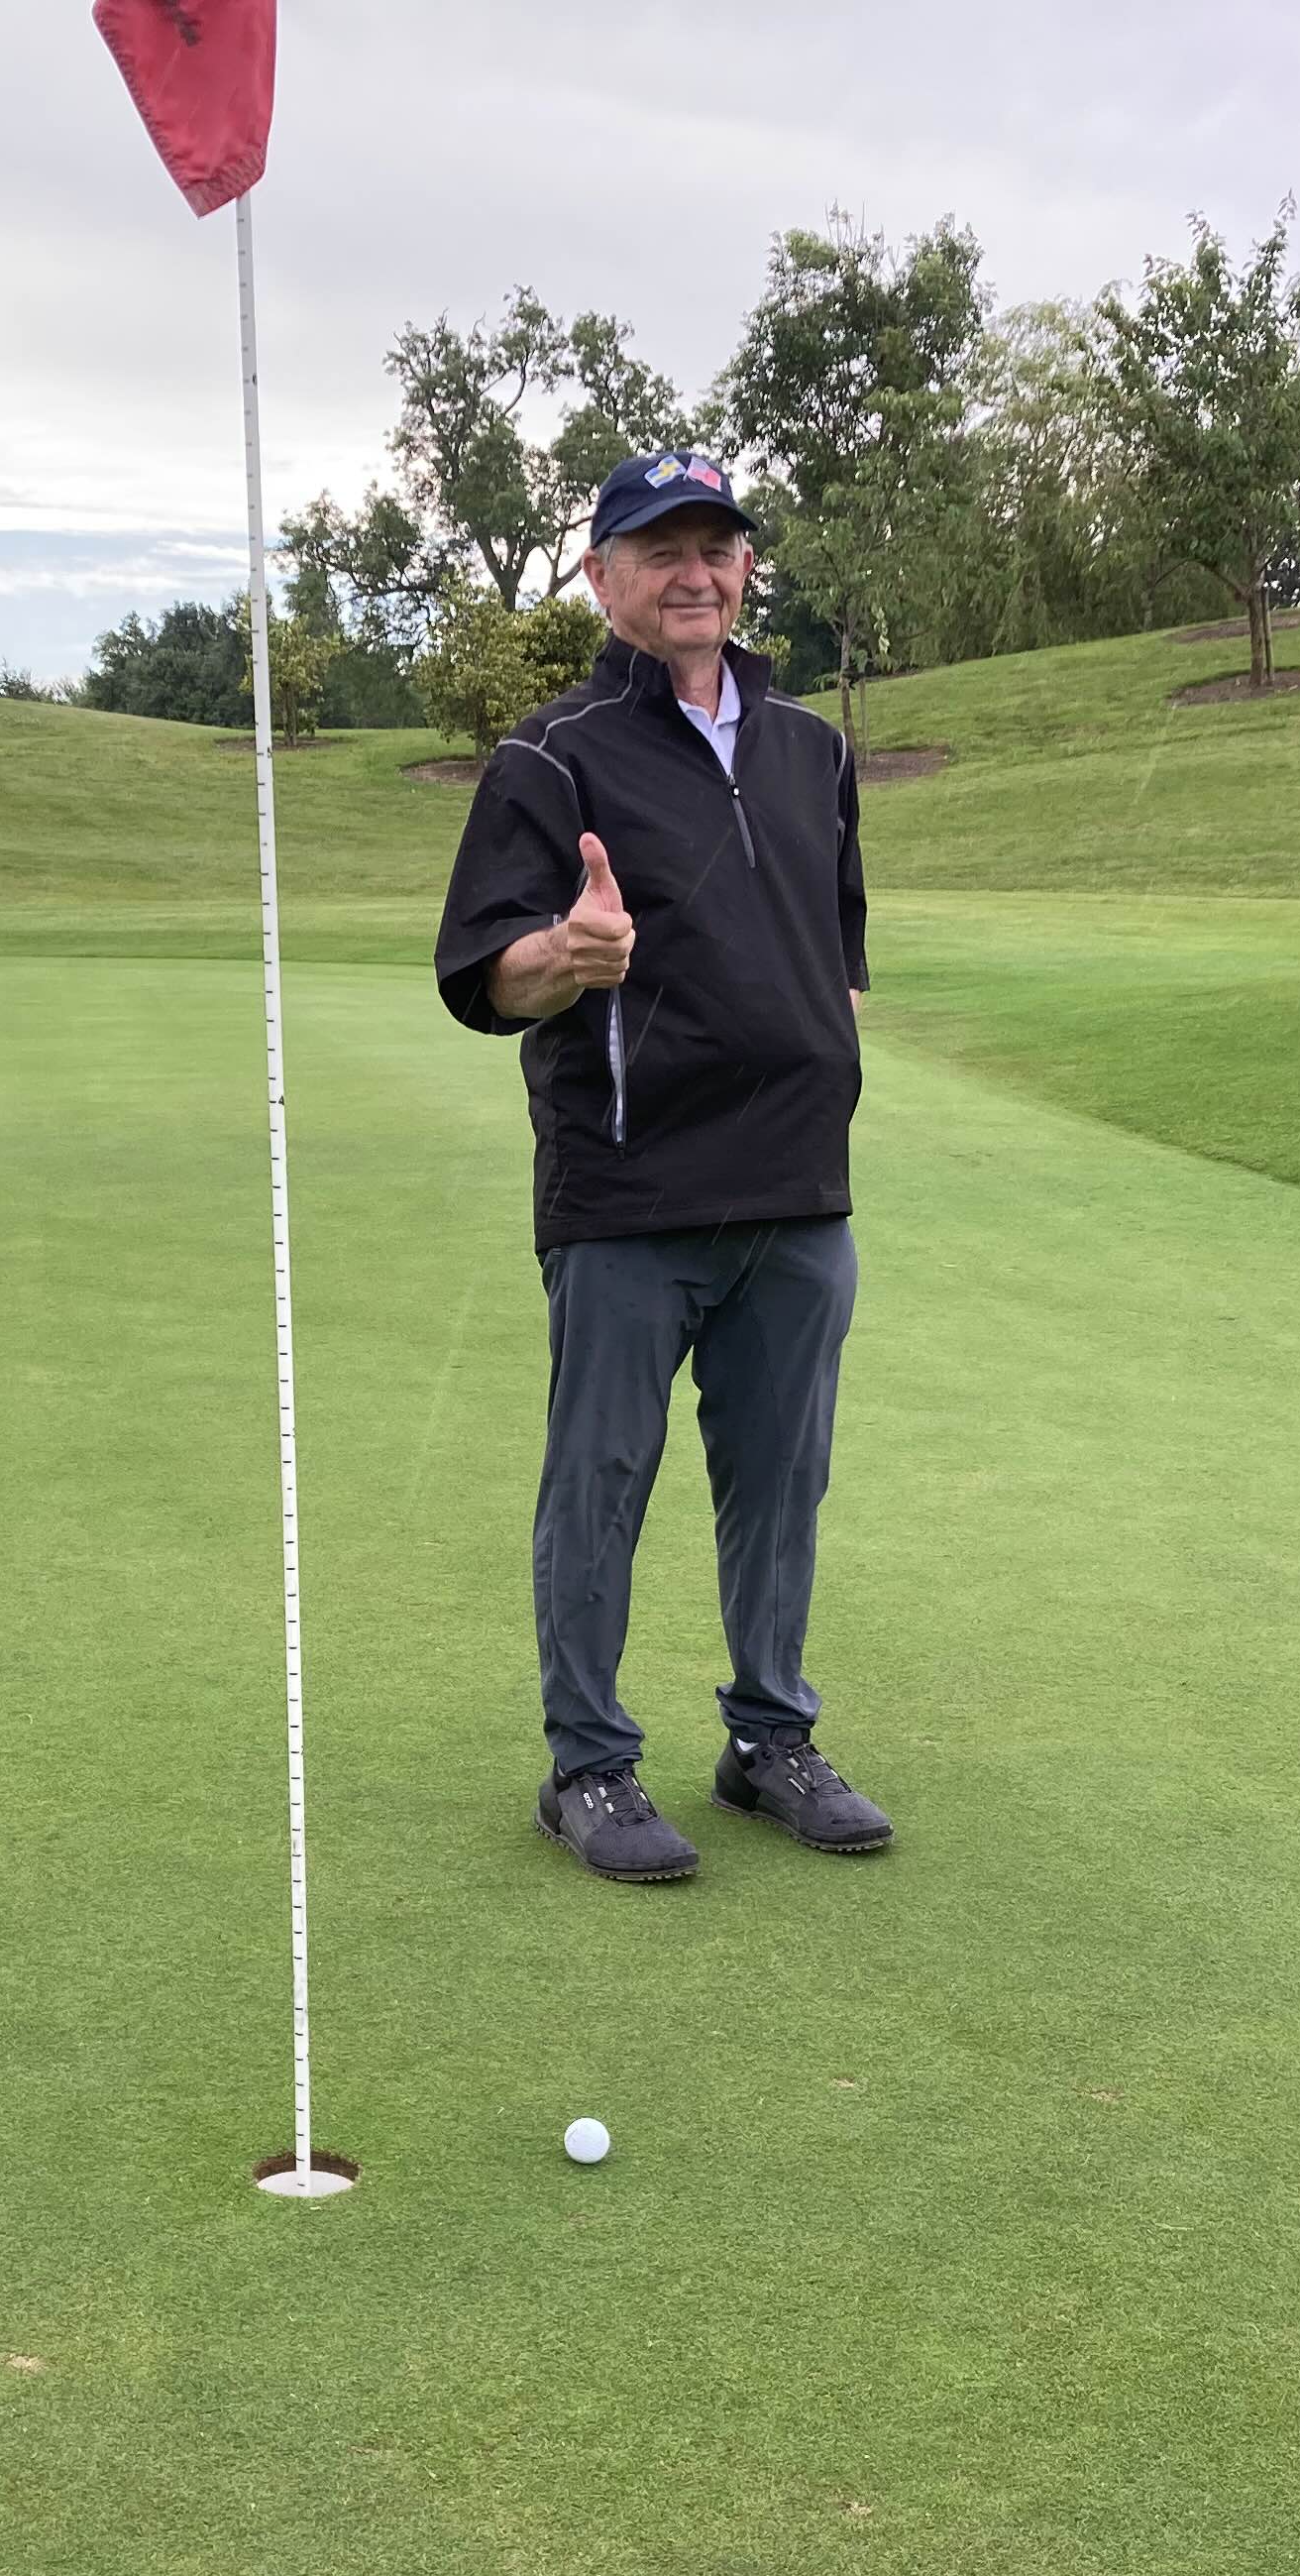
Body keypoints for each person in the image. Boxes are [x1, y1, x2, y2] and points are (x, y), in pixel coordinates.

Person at [433, 449, 891, 1884]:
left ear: (745, 566)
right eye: (660, 551)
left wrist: (823, 1072)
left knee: (782, 1482)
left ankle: (770, 1742)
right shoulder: (550, 756)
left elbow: (839, 951)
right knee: (601, 1484)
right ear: (602, 577)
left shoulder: (812, 748)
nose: (696, 574)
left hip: (798, 1192)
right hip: (631, 1190)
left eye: (717, 547)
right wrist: (565, 958)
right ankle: (588, 1766)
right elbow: (485, 974)